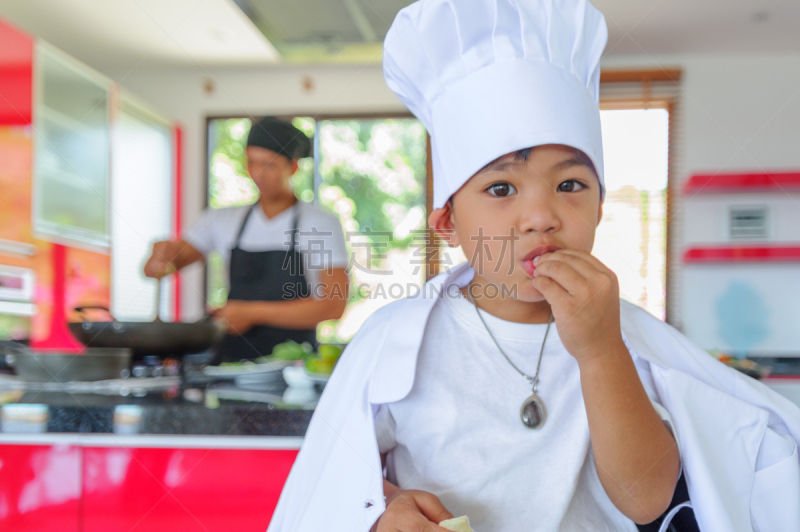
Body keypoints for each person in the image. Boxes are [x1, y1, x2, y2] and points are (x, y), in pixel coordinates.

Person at [267, 1, 800, 531]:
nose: (542, 216)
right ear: (448, 223)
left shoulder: (626, 339)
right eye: (501, 188)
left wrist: (598, 350)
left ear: (599, 207)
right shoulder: (394, 343)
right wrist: (385, 512)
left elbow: (646, 500)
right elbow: (337, 483)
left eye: (571, 185)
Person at [144, 117, 349, 362]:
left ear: (293, 167)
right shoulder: (221, 220)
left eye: (269, 165)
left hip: (294, 364)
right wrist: (160, 258)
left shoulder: (320, 223)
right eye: (252, 162)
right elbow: (158, 268)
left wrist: (252, 313)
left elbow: (333, 305)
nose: (258, 174)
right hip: (231, 363)